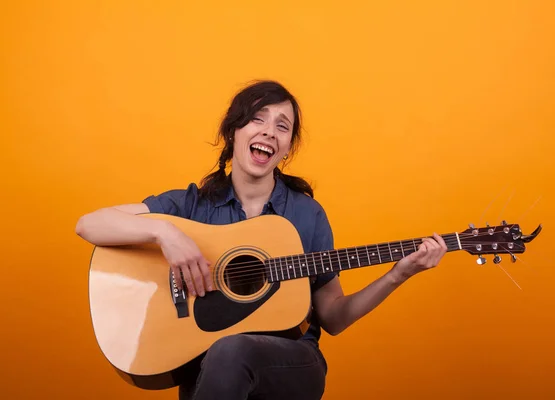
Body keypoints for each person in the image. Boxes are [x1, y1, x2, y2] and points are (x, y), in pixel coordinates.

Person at [76, 80, 448, 400]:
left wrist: (398, 275)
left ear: (286, 148)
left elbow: (333, 318)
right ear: (233, 132)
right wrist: (166, 232)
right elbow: (90, 224)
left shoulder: (305, 215)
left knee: (231, 350)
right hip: (206, 364)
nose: (269, 131)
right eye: (258, 119)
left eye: (282, 126)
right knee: (219, 359)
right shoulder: (190, 205)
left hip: (292, 362)